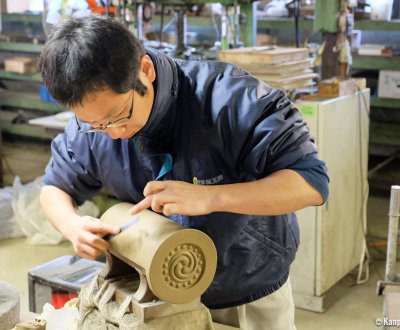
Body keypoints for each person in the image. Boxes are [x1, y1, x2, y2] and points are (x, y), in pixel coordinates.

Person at [38, 14, 329, 330]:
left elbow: (310, 183)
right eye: (95, 125)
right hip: (151, 296)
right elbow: (54, 187)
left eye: (119, 115)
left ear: (144, 70)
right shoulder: (96, 126)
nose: (114, 133)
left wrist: (212, 197)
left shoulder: (230, 100)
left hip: (244, 290)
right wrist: (71, 226)